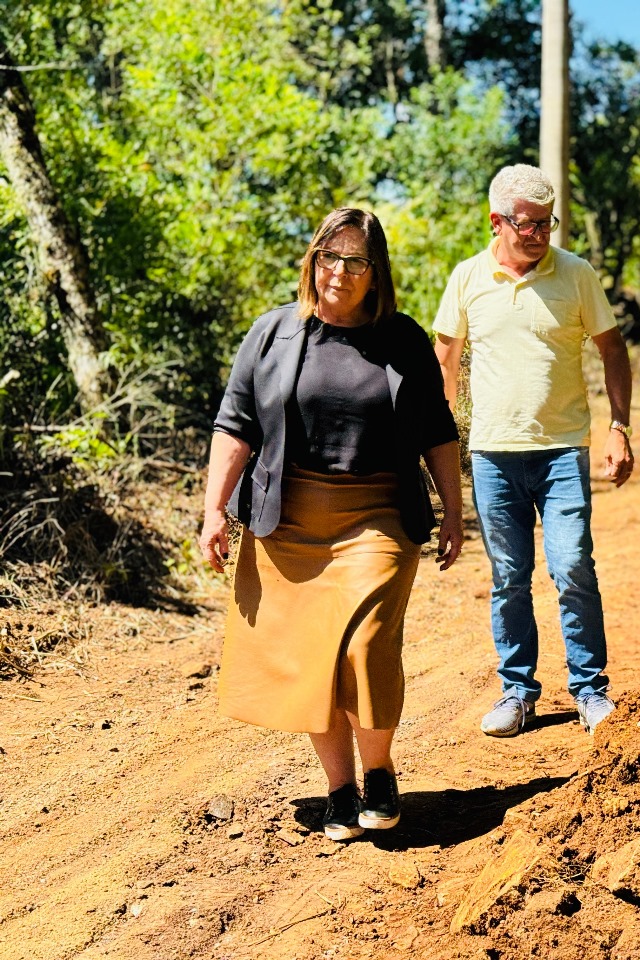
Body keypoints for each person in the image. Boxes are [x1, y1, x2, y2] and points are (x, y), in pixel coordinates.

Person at [198, 208, 463, 842]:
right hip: (288, 523)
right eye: (329, 256)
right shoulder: (273, 333)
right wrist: (215, 508)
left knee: (364, 648)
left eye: (356, 261)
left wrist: (454, 511)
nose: (339, 271)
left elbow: (437, 433)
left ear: (378, 273)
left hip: (376, 516)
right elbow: (235, 425)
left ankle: (379, 773)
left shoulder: (402, 340)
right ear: (313, 260)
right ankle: (339, 789)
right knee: (313, 661)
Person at [433, 164, 634, 738]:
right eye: (527, 225)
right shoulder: (468, 278)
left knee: (571, 567)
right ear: (496, 221)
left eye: (547, 223)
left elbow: (612, 351)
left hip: (562, 449)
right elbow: (444, 360)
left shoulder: (576, 274)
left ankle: (591, 691)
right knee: (509, 578)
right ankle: (518, 692)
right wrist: (440, 440)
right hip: (493, 454)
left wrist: (619, 427)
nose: (539, 234)